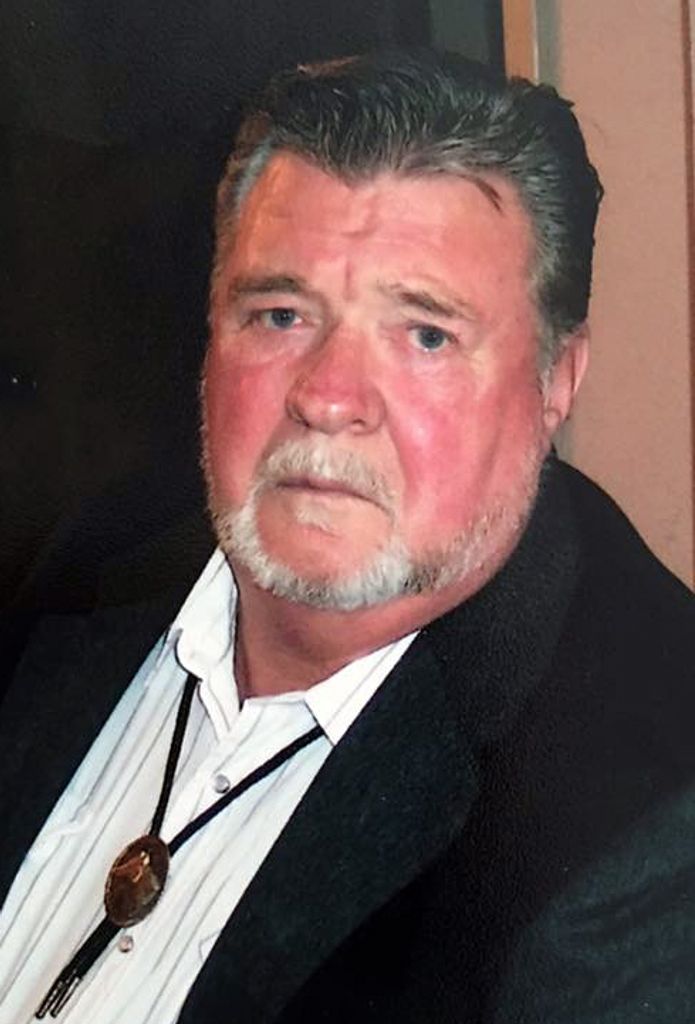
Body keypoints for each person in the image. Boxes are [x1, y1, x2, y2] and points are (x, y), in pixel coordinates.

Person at [1, 48, 694, 1024]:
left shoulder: (643, 832)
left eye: (424, 334)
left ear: (554, 381)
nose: (326, 398)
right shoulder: (96, 557)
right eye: (280, 314)